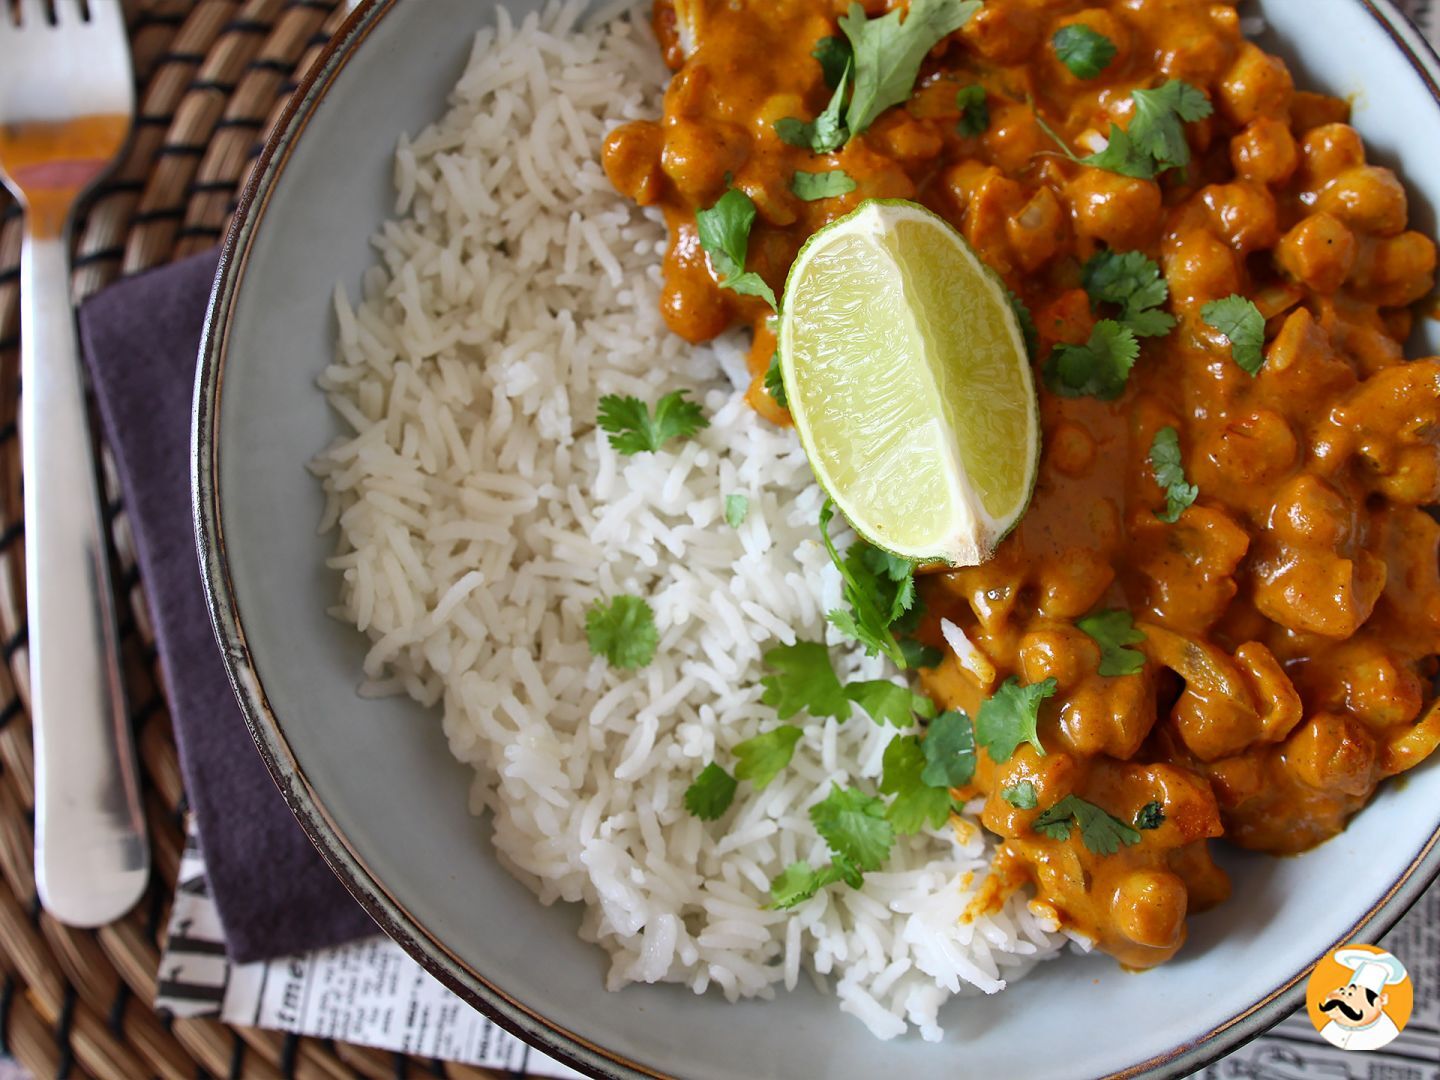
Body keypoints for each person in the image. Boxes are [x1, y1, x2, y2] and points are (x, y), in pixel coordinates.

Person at [1316, 949, 1408, 1051]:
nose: (1343, 1001)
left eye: (1352, 995)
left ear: (1380, 1001)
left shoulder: (1385, 1033)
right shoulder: (1332, 1027)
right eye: (1343, 992)